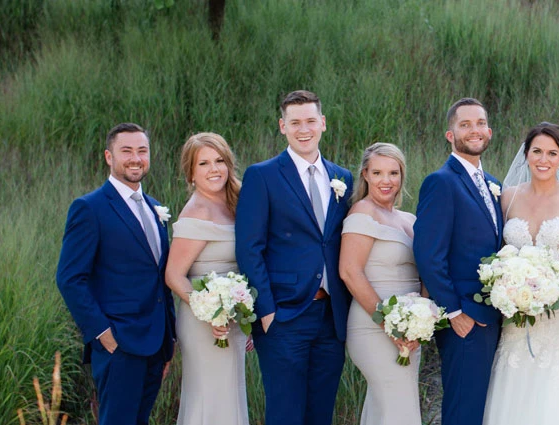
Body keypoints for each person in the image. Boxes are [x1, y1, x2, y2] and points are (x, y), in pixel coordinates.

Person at [235, 90, 353, 425]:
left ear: (323, 123)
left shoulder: (342, 177)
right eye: (295, 122)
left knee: (321, 413)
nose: (304, 129)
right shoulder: (263, 175)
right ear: (282, 126)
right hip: (284, 316)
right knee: (285, 413)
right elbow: (249, 248)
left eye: (311, 121)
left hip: (331, 316)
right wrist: (267, 311)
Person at [483, 122, 559, 424]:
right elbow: (495, 252)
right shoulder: (508, 198)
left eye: (552, 153)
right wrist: (510, 286)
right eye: (537, 151)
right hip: (517, 315)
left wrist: (554, 289)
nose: (543, 159)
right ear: (526, 154)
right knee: (516, 387)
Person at [56, 123, 176, 424]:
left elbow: (160, 277)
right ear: (109, 157)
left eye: (142, 151)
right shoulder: (90, 208)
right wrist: (102, 333)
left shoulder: (155, 207)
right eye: (127, 151)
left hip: (157, 344)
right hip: (119, 343)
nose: (136, 158)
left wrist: (169, 339)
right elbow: (70, 278)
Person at [413, 98, 504, 425]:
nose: (474, 130)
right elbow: (428, 254)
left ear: (489, 131)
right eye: (464, 124)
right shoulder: (441, 182)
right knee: (463, 410)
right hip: (464, 319)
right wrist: (454, 312)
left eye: (480, 123)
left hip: (493, 317)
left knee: (481, 407)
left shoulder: (494, 184)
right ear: (450, 134)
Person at [165, 132, 251, 425]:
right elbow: (174, 275)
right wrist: (211, 312)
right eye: (204, 163)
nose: (214, 169)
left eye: (219, 161)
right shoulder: (197, 211)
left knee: (231, 396)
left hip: (234, 318)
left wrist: (244, 313)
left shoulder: (237, 202)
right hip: (204, 322)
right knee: (209, 399)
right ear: (191, 172)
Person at [339, 143, 421, 425]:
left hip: (410, 330)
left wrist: (421, 321)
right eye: (377, 173)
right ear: (365, 175)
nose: (386, 181)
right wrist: (389, 323)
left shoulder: (409, 220)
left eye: (393, 173)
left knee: (387, 408)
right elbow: (350, 272)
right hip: (373, 326)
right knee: (398, 409)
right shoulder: (363, 211)